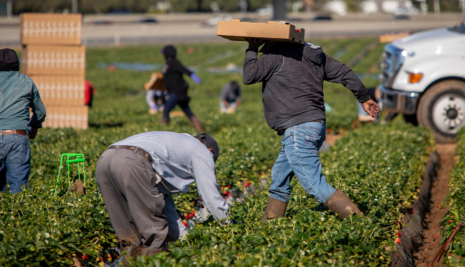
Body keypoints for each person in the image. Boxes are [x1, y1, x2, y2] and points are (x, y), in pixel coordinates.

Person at [242, 39, 380, 222]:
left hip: (298, 131)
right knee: (278, 180)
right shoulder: (314, 55)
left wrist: (251, 47)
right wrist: (364, 97)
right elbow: (343, 72)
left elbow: (249, 76)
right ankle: (269, 226)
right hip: (314, 126)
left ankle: (358, 222)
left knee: (314, 184)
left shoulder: (276, 55)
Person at [95, 131, 229, 263]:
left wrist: (185, 241)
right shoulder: (202, 151)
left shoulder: (174, 145)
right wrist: (228, 228)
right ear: (210, 150)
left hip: (105, 159)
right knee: (155, 233)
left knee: (128, 235)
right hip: (134, 161)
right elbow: (210, 196)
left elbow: (165, 205)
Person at [0, 48, 46, 194]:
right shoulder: (26, 81)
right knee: (19, 188)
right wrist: (34, 127)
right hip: (17, 137)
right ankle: (19, 215)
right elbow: (40, 111)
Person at [161, 45, 204, 131]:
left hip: (177, 92)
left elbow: (184, 70)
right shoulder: (168, 64)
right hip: (175, 91)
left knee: (166, 110)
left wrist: (193, 76)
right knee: (188, 111)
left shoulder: (174, 62)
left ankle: (160, 132)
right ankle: (202, 131)